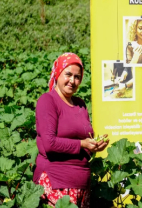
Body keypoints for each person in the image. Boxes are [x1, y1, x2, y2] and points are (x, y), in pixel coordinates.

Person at [33, 53, 109, 207]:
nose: (72, 81)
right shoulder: (48, 101)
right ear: (58, 73)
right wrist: (83, 144)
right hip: (57, 183)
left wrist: (94, 146)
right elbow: (49, 143)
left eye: (77, 77)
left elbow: (83, 144)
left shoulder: (80, 104)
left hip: (81, 185)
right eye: (68, 74)